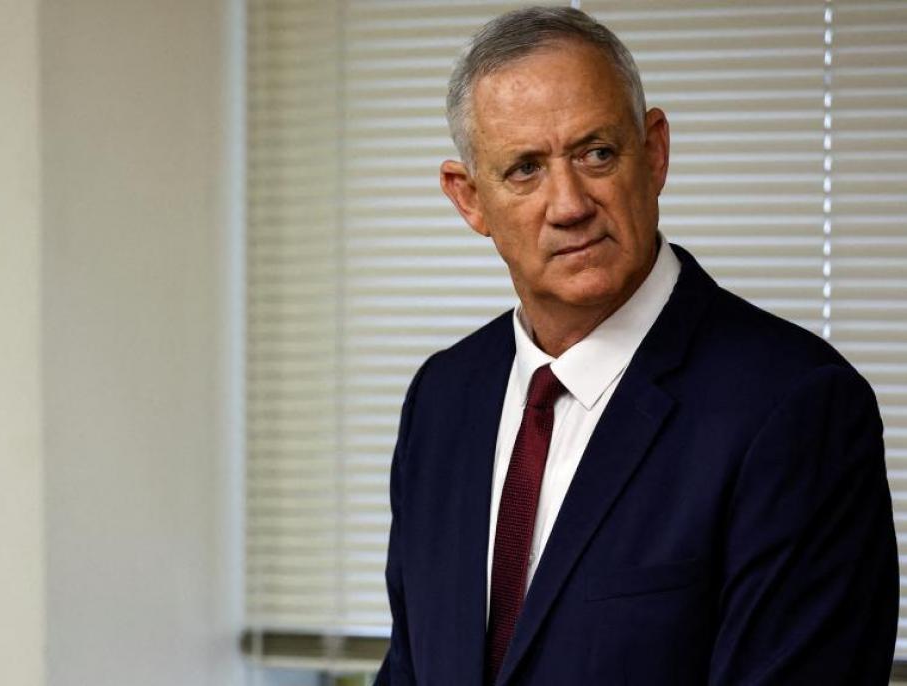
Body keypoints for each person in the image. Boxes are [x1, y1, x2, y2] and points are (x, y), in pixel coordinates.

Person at [374, 6, 898, 685]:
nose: (569, 204)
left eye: (596, 153)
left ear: (653, 153)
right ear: (469, 198)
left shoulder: (797, 407)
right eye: (526, 169)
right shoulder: (442, 398)